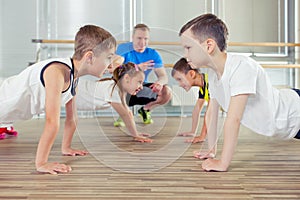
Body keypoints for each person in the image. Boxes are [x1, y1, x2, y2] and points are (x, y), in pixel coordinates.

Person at [179, 13, 300, 172]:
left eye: (188, 48)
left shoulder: (241, 67)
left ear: (209, 45)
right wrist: (211, 150)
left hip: (294, 112)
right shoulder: (214, 76)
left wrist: (223, 163)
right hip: (288, 123)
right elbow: (212, 114)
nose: (185, 55)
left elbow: (233, 119)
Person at [0, 24, 117, 174]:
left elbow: (72, 118)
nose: (110, 64)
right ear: (89, 57)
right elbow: (51, 121)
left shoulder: (74, 76)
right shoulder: (56, 72)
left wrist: (66, 147)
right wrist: (42, 163)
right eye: (108, 58)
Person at [76, 62, 152, 143]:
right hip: (75, 90)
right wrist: (135, 135)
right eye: (139, 82)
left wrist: (136, 133)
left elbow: (128, 112)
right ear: (127, 78)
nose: (141, 87)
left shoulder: (120, 90)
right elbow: (124, 115)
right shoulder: (112, 89)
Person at [115, 23, 172, 125]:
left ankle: (145, 110)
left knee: (167, 92)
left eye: (146, 39)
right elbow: (116, 71)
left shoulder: (153, 54)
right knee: (120, 85)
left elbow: (163, 76)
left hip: (140, 88)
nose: (142, 42)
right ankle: (123, 114)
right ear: (132, 38)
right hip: (123, 89)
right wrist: (137, 68)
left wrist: (159, 83)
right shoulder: (123, 49)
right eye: (139, 38)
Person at [171, 57, 210, 143]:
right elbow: (196, 110)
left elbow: (210, 113)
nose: (180, 84)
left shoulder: (210, 83)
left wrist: (202, 136)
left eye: (180, 79)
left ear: (192, 74)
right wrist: (193, 132)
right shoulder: (203, 85)